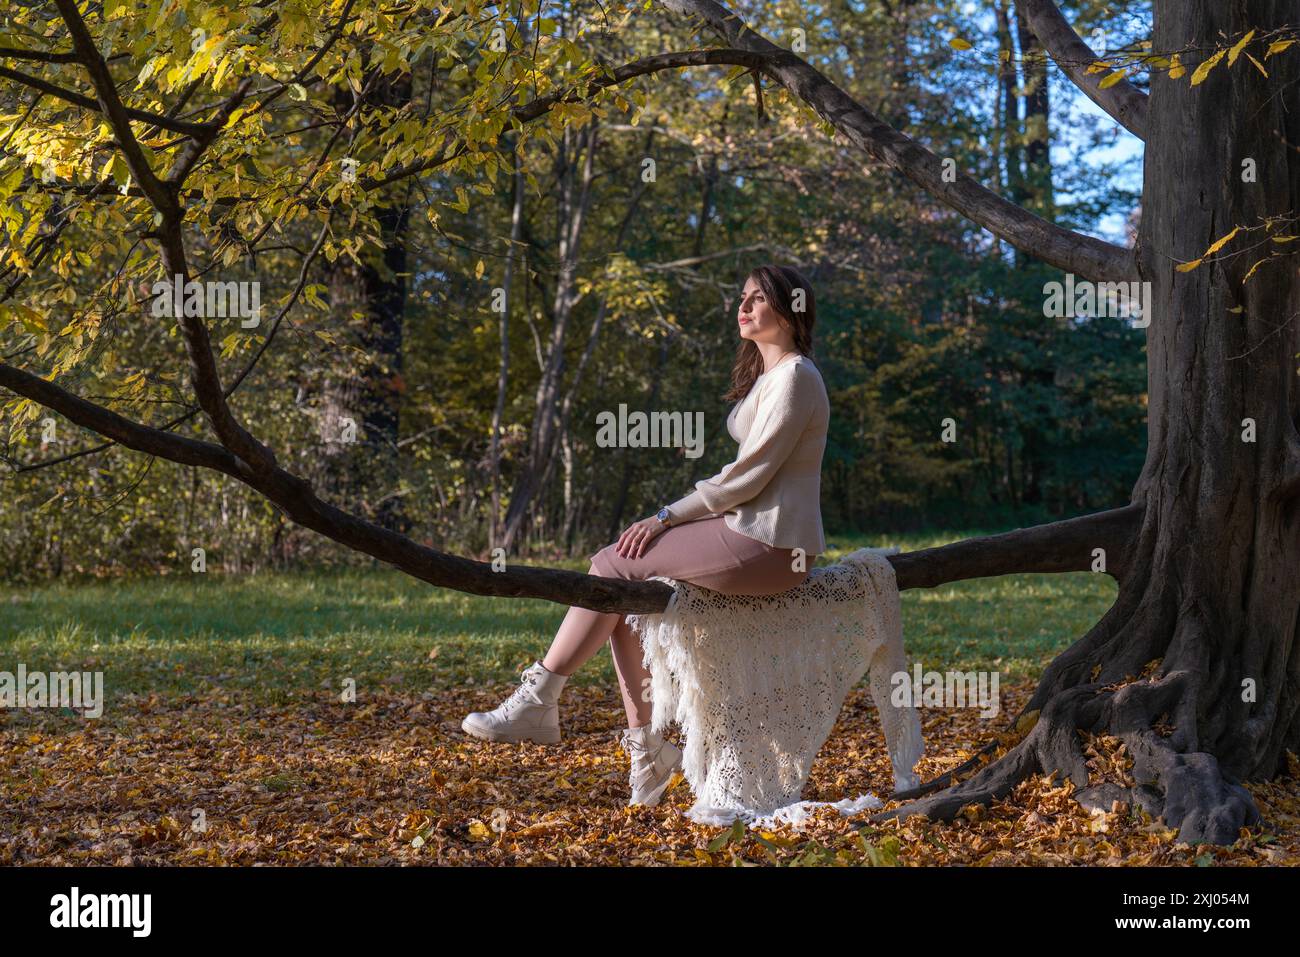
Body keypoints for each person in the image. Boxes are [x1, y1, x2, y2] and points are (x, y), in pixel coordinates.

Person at [462, 264, 830, 807]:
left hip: (774, 547)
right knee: (623, 592)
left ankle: (540, 698)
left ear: (790, 308)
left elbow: (749, 476)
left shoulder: (797, 375)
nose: (743, 307)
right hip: (753, 535)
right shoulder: (771, 378)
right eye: (742, 297)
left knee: (613, 565)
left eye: (758, 298)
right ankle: (647, 749)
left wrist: (667, 516)